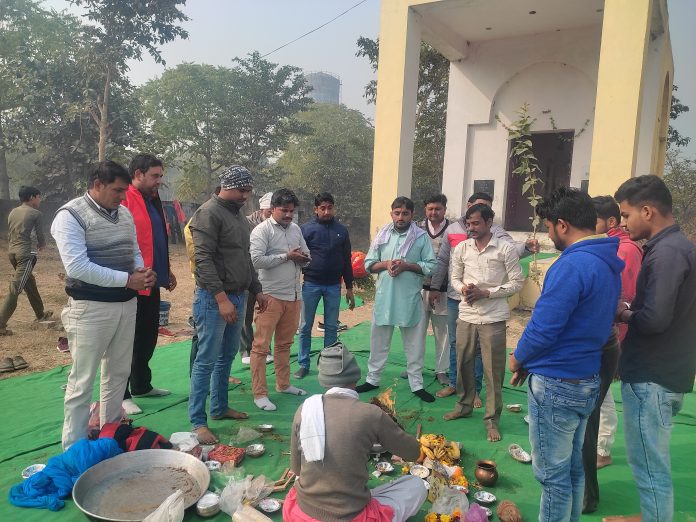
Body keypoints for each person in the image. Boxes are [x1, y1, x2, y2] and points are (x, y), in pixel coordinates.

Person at [508, 187, 623, 522]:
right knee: (573, 471)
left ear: (561, 224)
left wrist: (519, 358)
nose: (548, 234)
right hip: (586, 377)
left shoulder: (572, 265)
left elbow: (545, 327)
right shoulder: (607, 261)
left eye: (547, 227)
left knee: (553, 478)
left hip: (559, 384)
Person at [51, 161, 156, 450]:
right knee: (82, 380)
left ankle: (110, 436)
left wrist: (141, 271)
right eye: (117, 190)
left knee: (118, 372)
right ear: (97, 184)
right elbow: (78, 267)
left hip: (126, 304)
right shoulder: (70, 215)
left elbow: (133, 249)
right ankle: (74, 449)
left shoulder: (122, 213)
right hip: (90, 307)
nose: (122, 197)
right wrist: (127, 280)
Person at [609, 175, 696, 522]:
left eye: (627, 215)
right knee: (651, 461)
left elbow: (655, 319)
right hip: (669, 370)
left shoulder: (667, 254)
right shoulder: (681, 247)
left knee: (649, 466)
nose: (624, 222)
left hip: (652, 377)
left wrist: (623, 312)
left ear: (647, 211)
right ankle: (651, 515)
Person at [284, 342, 427, 522]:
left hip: (303, 514)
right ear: (356, 376)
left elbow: (296, 469)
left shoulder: (305, 409)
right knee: (416, 485)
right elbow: (413, 453)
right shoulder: (370, 413)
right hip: (353, 517)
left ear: (323, 380)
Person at [429, 192, 538, 399]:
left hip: (490, 310)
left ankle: (476, 391)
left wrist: (525, 246)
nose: (472, 228)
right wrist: (446, 287)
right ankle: (456, 384)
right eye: (471, 221)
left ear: (489, 220)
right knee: (456, 345)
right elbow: (445, 262)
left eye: (486, 208)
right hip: (458, 300)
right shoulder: (454, 232)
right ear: (468, 206)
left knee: (482, 353)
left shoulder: (498, 235)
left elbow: (514, 255)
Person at [188, 166, 268, 444]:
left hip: (239, 295)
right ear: (228, 186)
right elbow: (203, 261)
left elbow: (245, 257)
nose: (246, 196)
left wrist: (256, 289)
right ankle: (198, 421)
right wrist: (221, 299)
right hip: (214, 299)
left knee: (226, 357)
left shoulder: (237, 216)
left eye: (248, 191)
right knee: (206, 360)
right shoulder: (208, 213)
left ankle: (219, 407)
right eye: (242, 190)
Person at [580, 195, 642, 514]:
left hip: (607, 341)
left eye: (593, 220)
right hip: (605, 341)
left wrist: (617, 344)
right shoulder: (608, 247)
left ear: (611, 223)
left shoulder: (624, 249)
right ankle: (599, 453)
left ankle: (603, 451)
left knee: (597, 408)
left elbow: (624, 300)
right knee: (597, 405)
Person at [443, 204, 524, 443]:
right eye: (468, 224)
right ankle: (463, 405)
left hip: (493, 318)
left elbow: (517, 283)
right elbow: (454, 278)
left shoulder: (505, 249)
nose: (471, 228)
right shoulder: (462, 248)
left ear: (489, 222)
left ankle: (491, 420)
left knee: (492, 370)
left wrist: (487, 293)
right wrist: (464, 289)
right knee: (463, 363)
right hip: (466, 314)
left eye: (476, 223)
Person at [355, 196, 437, 402]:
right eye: (397, 213)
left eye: (405, 213)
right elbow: (368, 264)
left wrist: (407, 265)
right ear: (391, 213)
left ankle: (416, 384)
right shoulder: (382, 234)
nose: (400, 217)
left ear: (412, 215)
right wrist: (386, 264)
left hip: (409, 299)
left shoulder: (421, 237)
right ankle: (372, 379)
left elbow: (431, 265)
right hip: (385, 298)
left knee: (415, 344)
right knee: (378, 342)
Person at [120, 154, 177, 416]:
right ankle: (122, 394)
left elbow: (156, 240)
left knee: (147, 337)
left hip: (152, 281)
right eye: (155, 176)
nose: (159, 181)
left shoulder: (153, 200)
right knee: (126, 341)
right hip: (130, 284)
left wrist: (167, 272)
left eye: (160, 176)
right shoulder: (124, 199)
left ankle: (142, 385)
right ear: (138, 174)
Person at [249, 188, 310, 411]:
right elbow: (255, 260)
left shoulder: (295, 229)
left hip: (294, 295)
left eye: (291, 211)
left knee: (284, 344)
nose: (288, 215)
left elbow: (306, 254)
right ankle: (259, 394)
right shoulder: (261, 231)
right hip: (270, 295)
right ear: (272, 208)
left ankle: (283, 384)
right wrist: (287, 256)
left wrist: (304, 259)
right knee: (261, 347)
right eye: (284, 210)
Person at [295, 192, 355, 379]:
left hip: (333, 286)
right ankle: (303, 364)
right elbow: (298, 257)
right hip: (311, 283)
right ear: (316, 209)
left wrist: (350, 288)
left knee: (331, 326)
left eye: (330, 207)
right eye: (323, 208)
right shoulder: (305, 230)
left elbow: (346, 260)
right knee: (305, 326)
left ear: (334, 208)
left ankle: (327, 363)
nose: (327, 211)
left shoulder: (341, 231)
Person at [1, 186, 53, 337]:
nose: (39, 200)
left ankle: (40, 314)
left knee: (29, 282)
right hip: (26, 255)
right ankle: (1, 324)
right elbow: (40, 234)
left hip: (12, 252)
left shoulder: (13, 212)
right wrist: (42, 245)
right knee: (16, 288)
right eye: (38, 197)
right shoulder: (36, 213)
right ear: (32, 197)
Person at [413, 194, 450, 386]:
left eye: (438, 209)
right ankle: (414, 367)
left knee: (442, 332)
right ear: (425, 210)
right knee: (416, 330)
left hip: (443, 289)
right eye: (430, 209)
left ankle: (441, 370)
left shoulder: (452, 229)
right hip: (419, 287)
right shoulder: (417, 229)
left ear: (444, 209)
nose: (434, 212)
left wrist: (439, 286)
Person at [239, 191, 274, 366]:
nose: (271, 215)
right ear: (262, 210)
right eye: (269, 211)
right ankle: (245, 349)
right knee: (245, 312)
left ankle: (265, 348)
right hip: (247, 273)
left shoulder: (277, 226)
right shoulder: (245, 223)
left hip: (267, 276)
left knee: (265, 314)